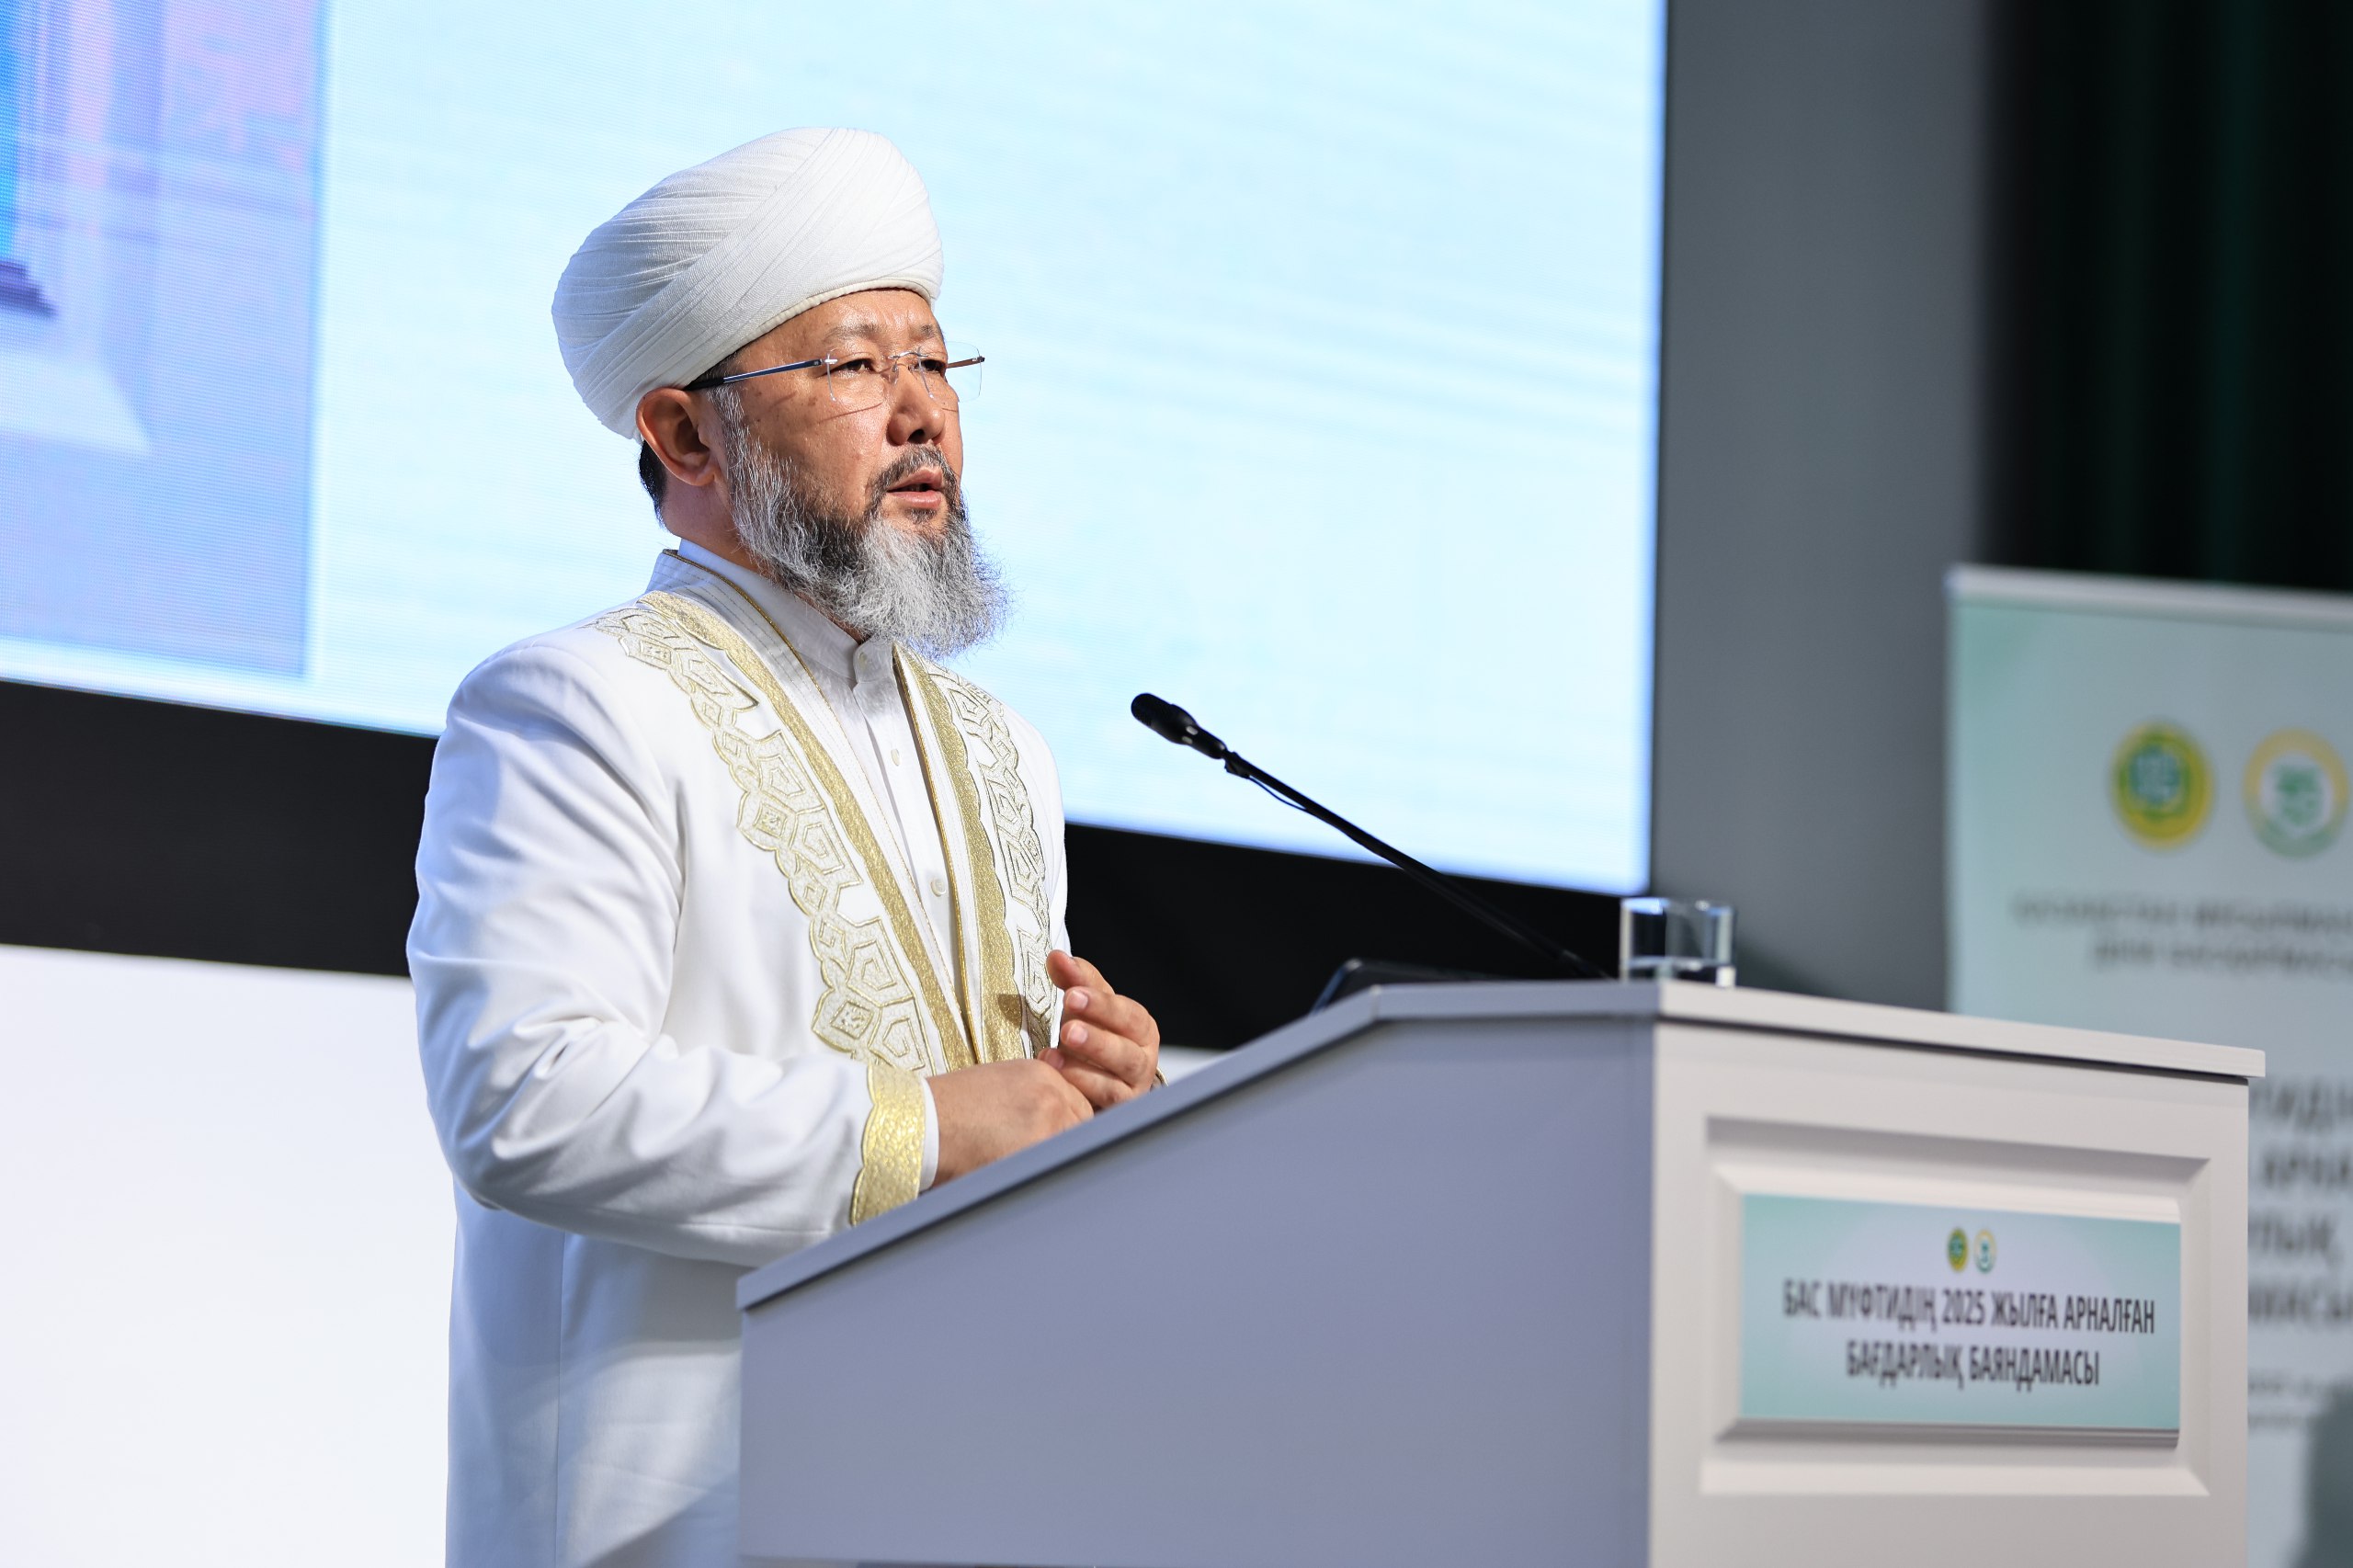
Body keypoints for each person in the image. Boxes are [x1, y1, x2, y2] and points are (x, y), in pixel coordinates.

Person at [408, 127, 1163, 1568]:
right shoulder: (574, 700)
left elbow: (999, 1125)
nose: (920, 413)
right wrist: (929, 1126)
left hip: (972, 1492)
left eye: (934, 361)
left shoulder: (1001, 746)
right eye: (853, 366)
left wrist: (1098, 1099)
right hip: (680, 1522)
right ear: (685, 435)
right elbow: (521, 1095)